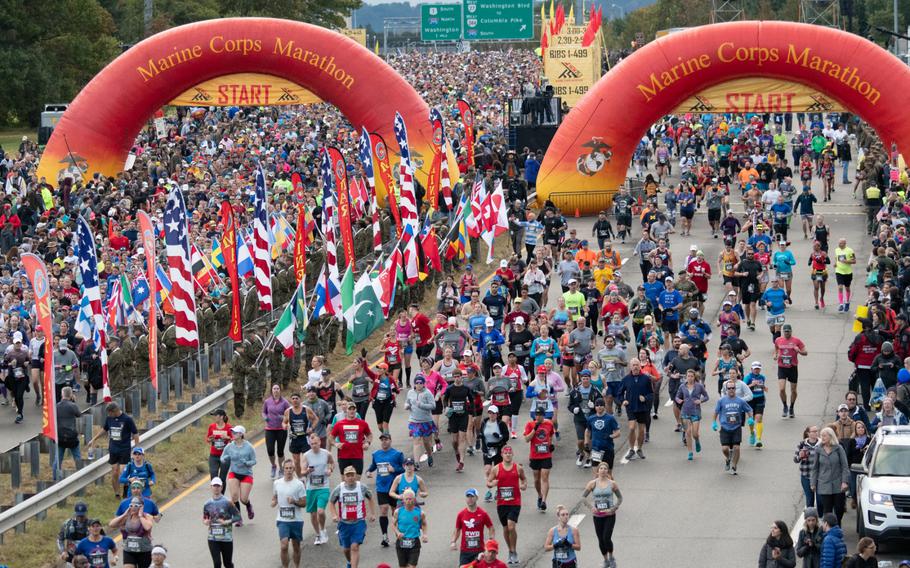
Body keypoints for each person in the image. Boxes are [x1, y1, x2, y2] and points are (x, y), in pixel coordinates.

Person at [88, 402, 140, 499]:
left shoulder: (127, 419)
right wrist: (94, 439)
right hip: (113, 449)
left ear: (115, 411)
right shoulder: (109, 419)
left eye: (109, 413)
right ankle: (117, 493)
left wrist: (136, 449)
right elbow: (104, 429)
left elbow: (135, 434)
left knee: (123, 471)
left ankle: (126, 488)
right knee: (115, 472)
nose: (108, 415)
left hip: (124, 449)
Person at [485, 445, 527, 566]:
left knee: (511, 526)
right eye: (505, 453)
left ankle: (514, 551)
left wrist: (524, 485)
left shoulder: (518, 468)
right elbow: (488, 482)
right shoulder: (496, 469)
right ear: (502, 455)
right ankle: (510, 550)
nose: (508, 455)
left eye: (510, 453)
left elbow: (524, 479)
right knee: (505, 528)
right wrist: (492, 483)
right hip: (502, 503)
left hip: (515, 502)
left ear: (512, 454)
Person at [330, 465, 377, 568]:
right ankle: (349, 562)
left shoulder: (362, 487)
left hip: (358, 522)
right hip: (344, 523)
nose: (350, 477)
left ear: (355, 476)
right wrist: (334, 515)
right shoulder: (339, 488)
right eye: (348, 475)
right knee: (346, 549)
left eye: (352, 475)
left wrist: (372, 513)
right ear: (344, 477)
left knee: (354, 547)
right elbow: (331, 502)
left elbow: (370, 498)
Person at [366, 431, 405, 547]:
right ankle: (384, 536)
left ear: (390, 440)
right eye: (382, 440)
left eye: (386, 439)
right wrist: (368, 472)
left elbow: (404, 469)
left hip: (394, 487)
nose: (384, 442)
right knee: (383, 510)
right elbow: (373, 466)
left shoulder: (397, 454)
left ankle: (398, 535)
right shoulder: (376, 454)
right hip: (381, 487)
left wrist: (395, 470)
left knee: (395, 512)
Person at [712, 380, 755, 475]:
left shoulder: (740, 401)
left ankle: (734, 465)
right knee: (724, 449)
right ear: (726, 389)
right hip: (725, 427)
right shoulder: (721, 401)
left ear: (735, 389)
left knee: (736, 448)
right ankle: (728, 458)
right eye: (729, 388)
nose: (731, 390)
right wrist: (714, 422)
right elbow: (716, 411)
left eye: (733, 388)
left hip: (736, 427)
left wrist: (751, 418)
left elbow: (749, 410)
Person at [583, 463, 622, 568]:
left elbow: (620, 498)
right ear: (598, 470)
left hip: (609, 515)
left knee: (606, 538)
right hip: (598, 515)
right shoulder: (592, 483)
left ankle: (611, 558)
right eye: (601, 468)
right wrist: (591, 508)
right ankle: (605, 561)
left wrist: (614, 508)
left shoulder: (612, 484)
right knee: (600, 539)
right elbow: (583, 497)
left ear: (608, 471)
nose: (603, 470)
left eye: (605, 468)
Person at [300, 432, 334, 545]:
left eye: (316, 443)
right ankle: (318, 534)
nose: (314, 445)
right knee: (313, 514)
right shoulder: (306, 455)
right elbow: (302, 471)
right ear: (310, 444)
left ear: (320, 442)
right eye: (312, 443)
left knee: (320, 511)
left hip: (323, 487)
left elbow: (332, 463)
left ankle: (323, 529)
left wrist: (330, 470)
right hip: (311, 488)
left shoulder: (326, 453)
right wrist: (307, 471)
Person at [811, 427, 850, 525]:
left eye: (824, 435)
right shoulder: (818, 449)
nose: (822, 437)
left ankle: (838, 525)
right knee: (827, 510)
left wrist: (844, 481)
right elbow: (815, 468)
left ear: (830, 436)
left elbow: (845, 466)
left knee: (839, 508)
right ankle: (828, 529)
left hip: (838, 484)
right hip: (824, 484)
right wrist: (813, 483)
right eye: (821, 436)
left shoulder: (838, 448)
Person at [272, 458, 307, 568]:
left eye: (291, 468)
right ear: (283, 469)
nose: (288, 470)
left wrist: (294, 501)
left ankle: (296, 566)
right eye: (286, 468)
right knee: (284, 545)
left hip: (296, 520)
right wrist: (273, 502)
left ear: (293, 469)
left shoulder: (299, 484)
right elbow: (275, 497)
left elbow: (304, 503)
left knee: (296, 547)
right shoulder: (277, 483)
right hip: (282, 520)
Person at [220, 425, 257, 525]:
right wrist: (224, 459)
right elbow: (222, 458)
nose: (232, 434)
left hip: (246, 474)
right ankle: (238, 517)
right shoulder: (229, 446)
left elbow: (254, 461)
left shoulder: (249, 447)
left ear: (241, 434)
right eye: (232, 432)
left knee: (243, 499)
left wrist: (247, 463)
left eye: (235, 433)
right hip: (234, 473)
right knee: (234, 496)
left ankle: (248, 506)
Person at [452, 488, 496, 567]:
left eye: (472, 496)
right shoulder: (461, 514)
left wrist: (491, 539)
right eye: (468, 497)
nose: (470, 499)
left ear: (477, 498)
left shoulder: (483, 514)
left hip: (479, 550)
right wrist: (453, 542)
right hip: (465, 551)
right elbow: (457, 529)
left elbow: (491, 527)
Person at [619, 358, 653, 461]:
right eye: (633, 365)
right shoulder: (626, 379)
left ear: (640, 366)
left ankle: (639, 449)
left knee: (641, 430)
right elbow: (619, 394)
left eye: (637, 365)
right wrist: (623, 401)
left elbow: (651, 393)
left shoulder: (646, 379)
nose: (635, 367)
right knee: (632, 428)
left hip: (642, 408)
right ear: (630, 367)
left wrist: (645, 398)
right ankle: (631, 449)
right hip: (631, 407)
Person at [523, 408, 555, 511]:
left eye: (540, 415)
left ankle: (544, 501)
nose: (538, 417)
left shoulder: (549, 424)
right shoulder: (530, 424)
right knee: (537, 480)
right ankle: (540, 495)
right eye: (537, 415)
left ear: (544, 415)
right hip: (535, 456)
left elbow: (550, 436)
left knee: (544, 477)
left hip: (546, 455)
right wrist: (534, 430)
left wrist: (551, 445)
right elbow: (527, 439)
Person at [203, 476, 239, 568]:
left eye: (218, 486)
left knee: (227, 564)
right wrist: (206, 521)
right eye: (214, 486)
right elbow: (205, 518)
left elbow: (238, 516)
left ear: (222, 487)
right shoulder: (207, 504)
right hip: (212, 538)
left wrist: (227, 522)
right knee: (217, 564)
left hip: (226, 538)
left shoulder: (228, 502)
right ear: (211, 487)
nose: (216, 488)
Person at [330, 401, 373, 477]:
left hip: (357, 455)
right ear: (346, 410)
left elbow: (369, 434)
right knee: (344, 481)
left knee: (357, 481)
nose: (352, 411)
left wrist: (367, 443)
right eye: (350, 409)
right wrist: (336, 444)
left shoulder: (362, 423)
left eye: (353, 409)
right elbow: (331, 438)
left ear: (356, 410)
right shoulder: (339, 424)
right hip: (343, 456)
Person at [110, 496, 154, 568]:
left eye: (136, 505)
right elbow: (111, 524)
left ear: (141, 506)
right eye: (131, 505)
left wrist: (140, 516)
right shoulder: (127, 517)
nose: (133, 507)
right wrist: (124, 514)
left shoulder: (147, 516)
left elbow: (148, 527)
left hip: (144, 550)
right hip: (129, 550)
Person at [675, 368, 710, 460]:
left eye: (691, 376)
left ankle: (697, 440)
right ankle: (690, 452)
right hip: (685, 411)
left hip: (695, 411)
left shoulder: (699, 386)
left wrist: (700, 400)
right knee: (688, 432)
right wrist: (680, 401)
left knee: (694, 433)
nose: (690, 378)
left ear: (694, 377)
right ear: (686, 377)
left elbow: (706, 397)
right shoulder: (682, 386)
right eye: (688, 376)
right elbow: (676, 397)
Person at [282, 392, 318, 477]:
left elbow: (316, 419)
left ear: (300, 400)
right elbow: (283, 422)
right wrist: (284, 426)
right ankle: (300, 478)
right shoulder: (288, 411)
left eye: (296, 398)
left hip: (305, 438)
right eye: (293, 398)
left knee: (308, 459)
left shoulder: (306, 409)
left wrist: (311, 428)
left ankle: (310, 476)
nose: (294, 400)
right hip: (294, 439)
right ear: (291, 400)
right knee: (296, 461)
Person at [775, 324, 807, 419]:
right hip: (782, 367)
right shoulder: (778, 340)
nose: (787, 333)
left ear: (791, 331)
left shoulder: (797, 341)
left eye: (788, 331)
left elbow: (806, 352)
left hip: (792, 367)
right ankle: (785, 406)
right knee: (781, 389)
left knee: (793, 390)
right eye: (785, 331)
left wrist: (799, 351)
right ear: (783, 332)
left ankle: (792, 407)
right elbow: (776, 349)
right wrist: (775, 354)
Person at [405, 375, 438, 466]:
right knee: (416, 440)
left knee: (426, 442)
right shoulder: (410, 392)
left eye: (421, 383)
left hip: (426, 421)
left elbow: (433, 406)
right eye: (417, 383)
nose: (418, 385)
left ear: (424, 384)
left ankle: (430, 455)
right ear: (414, 384)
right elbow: (407, 402)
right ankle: (416, 462)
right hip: (414, 420)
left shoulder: (428, 393)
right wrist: (407, 406)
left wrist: (421, 405)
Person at [391, 488, 428, 568]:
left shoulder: (420, 513)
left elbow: (424, 524)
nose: (408, 501)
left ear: (414, 500)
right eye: (406, 499)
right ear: (403, 500)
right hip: (401, 542)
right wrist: (397, 533)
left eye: (410, 499)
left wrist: (424, 534)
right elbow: (393, 524)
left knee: (411, 566)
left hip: (414, 542)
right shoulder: (398, 512)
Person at [584, 398, 621, 472]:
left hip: (608, 449)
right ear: (595, 407)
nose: (599, 407)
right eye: (597, 405)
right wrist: (586, 442)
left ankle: (611, 484)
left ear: (604, 406)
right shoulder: (591, 418)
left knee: (608, 474)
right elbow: (588, 431)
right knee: (596, 475)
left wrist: (610, 436)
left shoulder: (610, 418)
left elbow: (618, 432)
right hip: (596, 449)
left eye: (601, 405)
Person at [262, 384, 291, 479]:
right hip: (270, 429)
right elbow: (264, 412)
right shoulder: (267, 401)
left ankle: (282, 469)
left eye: (277, 389)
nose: (276, 390)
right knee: (270, 450)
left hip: (281, 429)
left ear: (280, 390)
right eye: (274, 389)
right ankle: (273, 466)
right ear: (272, 390)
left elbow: (289, 413)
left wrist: (283, 417)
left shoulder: (285, 402)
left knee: (280, 451)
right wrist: (265, 417)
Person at [55, 386, 84, 478]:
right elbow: (79, 414)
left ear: (61, 394)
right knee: (77, 457)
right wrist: (73, 401)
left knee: (58, 459)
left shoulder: (56, 406)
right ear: (71, 395)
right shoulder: (72, 405)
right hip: (71, 436)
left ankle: (55, 478)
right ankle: (80, 476)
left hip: (60, 436)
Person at [795, 426, 821, 509]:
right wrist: (800, 456)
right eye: (813, 431)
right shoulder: (802, 444)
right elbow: (795, 459)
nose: (816, 433)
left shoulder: (821, 443)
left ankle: (820, 518)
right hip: (806, 475)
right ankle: (810, 518)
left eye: (817, 431)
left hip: (820, 476)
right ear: (808, 433)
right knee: (810, 500)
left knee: (820, 500)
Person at [206, 409, 232, 481]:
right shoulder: (212, 426)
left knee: (222, 478)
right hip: (213, 456)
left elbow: (234, 440)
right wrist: (210, 439)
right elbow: (207, 439)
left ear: (221, 417)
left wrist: (227, 437)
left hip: (225, 456)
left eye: (215, 415)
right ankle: (216, 492)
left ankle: (221, 492)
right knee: (213, 477)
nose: (214, 417)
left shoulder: (229, 428)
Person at [833, 238, 856, 313]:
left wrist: (846, 261)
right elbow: (836, 258)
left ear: (845, 243)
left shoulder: (850, 250)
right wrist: (835, 263)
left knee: (847, 288)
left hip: (848, 272)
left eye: (841, 243)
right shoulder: (836, 250)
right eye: (839, 243)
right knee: (840, 287)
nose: (839, 245)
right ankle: (841, 304)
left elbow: (854, 261)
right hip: (839, 271)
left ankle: (847, 302)